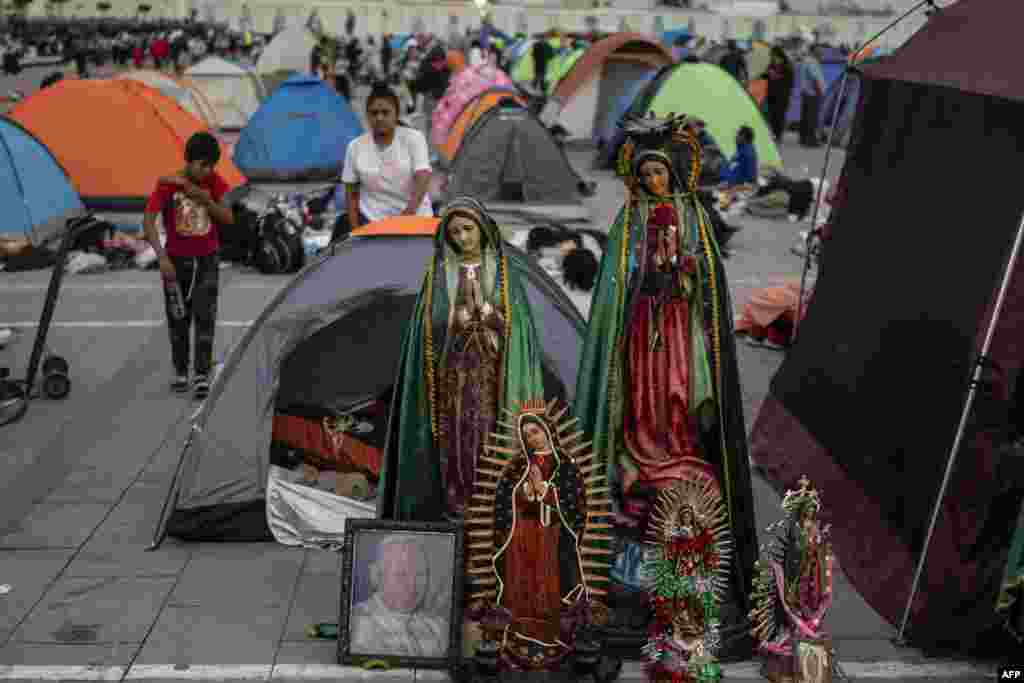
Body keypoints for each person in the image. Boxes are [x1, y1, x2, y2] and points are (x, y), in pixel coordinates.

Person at [573, 121, 758, 660]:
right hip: (639, 336)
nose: (654, 180)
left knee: (678, 399)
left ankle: (675, 452)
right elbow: (614, 288)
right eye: (645, 172)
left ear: (674, 173)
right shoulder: (627, 221)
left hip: (680, 333)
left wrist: (683, 273)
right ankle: (642, 454)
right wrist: (642, 281)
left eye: (660, 171)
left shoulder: (695, 217)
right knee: (643, 402)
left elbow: (710, 289)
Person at [378, 197, 550, 523]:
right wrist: (456, 320)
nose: (463, 238)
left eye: (469, 229)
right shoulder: (440, 274)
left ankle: (491, 502)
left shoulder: (502, 271)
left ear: (483, 230)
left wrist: (484, 312)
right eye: (455, 232)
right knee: (458, 442)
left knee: (487, 437)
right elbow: (429, 330)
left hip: (493, 376)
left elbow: (517, 327)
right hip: (454, 379)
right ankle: (456, 503)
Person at [143, 132, 234, 400]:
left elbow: (228, 218)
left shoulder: (216, 184)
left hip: (207, 260)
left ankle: (202, 374)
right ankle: (181, 370)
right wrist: (160, 256)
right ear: (189, 160)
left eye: (211, 166)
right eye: (202, 165)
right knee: (177, 318)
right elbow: (148, 221)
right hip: (175, 261)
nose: (206, 171)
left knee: (205, 317)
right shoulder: (168, 185)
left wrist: (205, 199)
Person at [335, 84, 433, 243]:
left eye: (385, 112)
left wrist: (407, 216)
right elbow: (351, 194)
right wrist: (356, 232)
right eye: (374, 113)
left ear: (396, 114)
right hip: (373, 221)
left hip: (415, 218)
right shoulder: (355, 146)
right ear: (367, 116)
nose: (379, 117)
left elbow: (423, 177)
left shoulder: (414, 138)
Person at [350, 536, 450, 658]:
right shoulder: (354, 623)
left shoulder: (438, 628)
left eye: (420, 575)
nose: (412, 585)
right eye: (401, 575)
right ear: (375, 575)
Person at [760, 46, 794, 142]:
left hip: (782, 95)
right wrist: (766, 74)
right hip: (771, 94)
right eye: (771, 55)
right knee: (772, 115)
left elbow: (789, 81)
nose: (772, 57)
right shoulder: (771, 65)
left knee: (779, 115)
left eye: (773, 55)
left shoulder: (787, 66)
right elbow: (765, 76)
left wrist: (776, 77)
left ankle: (778, 135)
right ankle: (774, 134)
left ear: (778, 55)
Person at [798, 45, 826, 148]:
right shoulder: (812, 62)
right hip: (813, 94)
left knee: (805, 117)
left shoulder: (806, 61)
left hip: (807, 93)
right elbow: (815, 79)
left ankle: (803, 138)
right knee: (811, 118)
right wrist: (820, 93)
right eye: (820, 51)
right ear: (814, 51)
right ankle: (810, 140)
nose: (822, 53)